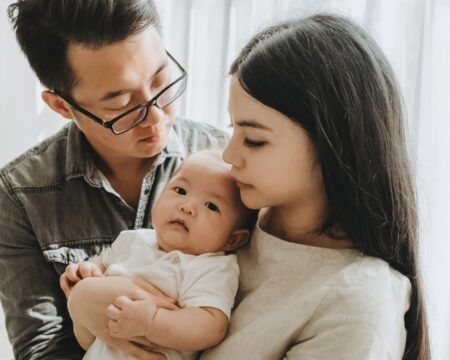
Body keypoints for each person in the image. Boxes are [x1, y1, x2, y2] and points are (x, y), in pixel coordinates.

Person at [70, 14, 431, 360]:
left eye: (254, 140)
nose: (229, 155)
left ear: (334, 145)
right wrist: (84, 298)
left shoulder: (357, 303)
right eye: (233, 130)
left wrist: (94, 301)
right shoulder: (229, 217)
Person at [0, 1, 229, 359]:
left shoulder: (230, 163)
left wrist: (95, 301)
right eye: (122, 104)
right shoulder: (20, 194)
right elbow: (42, 349)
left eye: (161, 81)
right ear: (62, 106)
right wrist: (82, 307)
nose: (155, 118)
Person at [60, 150, 255, 360]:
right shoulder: (133, 239)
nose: (187, 206)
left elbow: (211, 326)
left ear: (232, 240)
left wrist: (152, 322)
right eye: (180, 190)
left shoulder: (211, 266)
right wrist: (88, 270)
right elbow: (102, 267)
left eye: (211, 206)